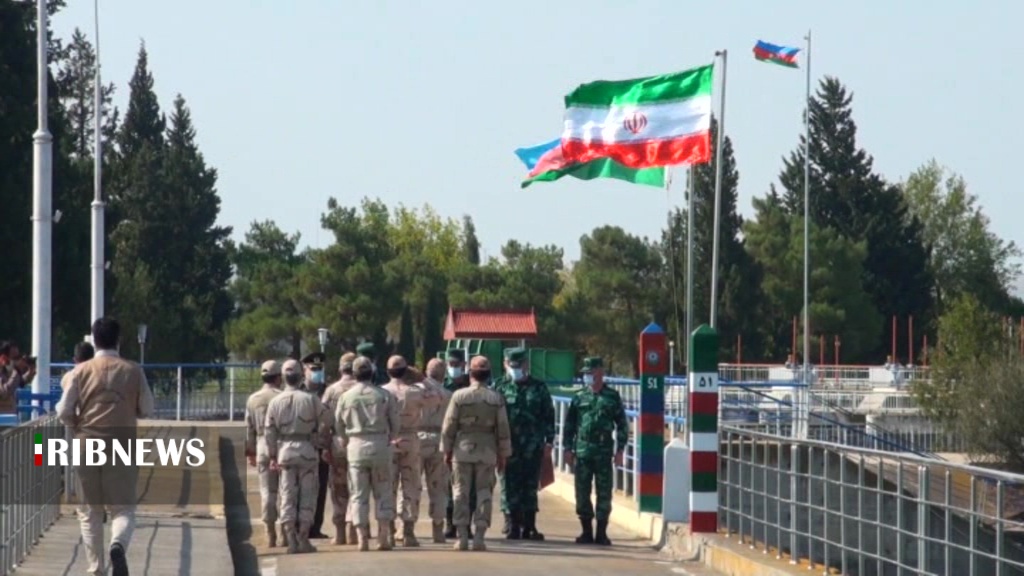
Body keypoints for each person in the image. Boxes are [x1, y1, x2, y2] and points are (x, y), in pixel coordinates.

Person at [57, 317, 155, 576]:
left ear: (94, 340)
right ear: (118, 340)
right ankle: (117, 544)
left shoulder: (80, 371)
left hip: (86, 443)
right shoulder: (133, 370)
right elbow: (147, 408)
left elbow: (63, 410)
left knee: (89, 512)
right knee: (123, 509)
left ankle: (96, 568)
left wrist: (77, 424)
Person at [441, 355, 512, 551]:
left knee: (460, 492)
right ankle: (479, 537)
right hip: (487, 449)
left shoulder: (459, 396)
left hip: (462, 449)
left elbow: (449, 425)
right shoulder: (496, 398)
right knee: (484, 493)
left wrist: (446, 450)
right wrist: (503, 453)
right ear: (488, 374)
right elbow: (503, 428)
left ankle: (462, 537)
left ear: (470, 373)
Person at [264, 359, 333, 554]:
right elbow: (328, 419)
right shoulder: (311, 399)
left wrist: (272, 456)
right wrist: (319, 437)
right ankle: (303, 537)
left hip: (285, 451)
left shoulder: (275, 402)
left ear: (283, 377)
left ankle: (290, 539)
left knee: (287, 495)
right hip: (307, 450)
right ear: (301, 376)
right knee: (307, 495)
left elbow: (269, 431)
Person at [562, 357, 629, 546]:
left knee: (604, 493)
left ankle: (601, 533)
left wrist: (620, 450)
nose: (587, 376)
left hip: (603, 452)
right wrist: (567, 448)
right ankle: (586, 531)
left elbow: (622, 425)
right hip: (583, 452)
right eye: (585, 373)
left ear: (600, 372)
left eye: (590, 372)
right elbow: (569, 425)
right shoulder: (579, 397)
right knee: (582, 492)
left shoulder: (612, 397)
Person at [335, 356, 400, 551]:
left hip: (356, 446)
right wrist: (389, 438)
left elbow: (338, 424)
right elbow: (395, 423)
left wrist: (347, 439)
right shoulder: (384, 395)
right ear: (372, 372)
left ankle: (362, 538)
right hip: (380, 445)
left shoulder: (346, 397)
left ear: (354, 374)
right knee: (383, 492)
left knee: (358, 494)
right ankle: (383, 537)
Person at [493, 347, 555, 540]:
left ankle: (529, 526)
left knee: (530, 486)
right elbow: (493, 417)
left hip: (532, 446)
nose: (515, 369)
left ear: (526, 365)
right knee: (508, 485)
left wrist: (549, 442)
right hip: (508, 446)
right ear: (505, 364)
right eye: (511, 366)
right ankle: (512, 524)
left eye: (519, 366)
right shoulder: (499, 387)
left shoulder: (539, 387)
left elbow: (548, 415)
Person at [381, 355, 425, 547]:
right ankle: (408, 531)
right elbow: (439, 395)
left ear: (387, 371)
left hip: (389, 439)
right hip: (410, 439)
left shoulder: (382, 392)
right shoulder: (415, 392)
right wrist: (420, 377)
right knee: (410, 486)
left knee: (387, 486)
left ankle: (389, 531)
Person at [244, 360, 284, 547]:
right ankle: (285, 532)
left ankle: (269, 532)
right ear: (278, 377)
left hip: (261, 446)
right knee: (285, 492)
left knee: (267, 491)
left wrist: (250, 452)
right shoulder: (282, 397)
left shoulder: (253, 399)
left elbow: (249, 428)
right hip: (281, 446)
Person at [321, 352, 358, 545]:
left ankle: (340, 532)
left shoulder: (331, 391)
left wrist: (324, 446)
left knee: (337, 487)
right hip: (358, 441)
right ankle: (354, 526)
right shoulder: (364, 388)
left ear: (340, 368)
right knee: (358, 487)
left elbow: (324, 422)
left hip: (337, 443)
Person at [417, 358, 452, 543]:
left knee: (410, 485)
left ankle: (405, 528)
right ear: (443, 374)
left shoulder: (415, 392)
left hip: (417, 438)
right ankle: (438, 529)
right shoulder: (448, 395)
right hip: (439, 439)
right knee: (438, 487)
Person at [441, 348, 475, 537]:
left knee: (468, 488)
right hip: (449, 442)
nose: (453, 367)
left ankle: (466, 525)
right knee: (448, 486)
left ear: (464, 365)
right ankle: (450, 524)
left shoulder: (472, 385)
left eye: (457, 364)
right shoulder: (441, 385)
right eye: (450, 364)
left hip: (468, 443)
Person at [301, 351, 331, 539]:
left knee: (320, 487)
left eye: (319, 369)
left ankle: (316, 527)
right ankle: (301, 526)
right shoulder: (298, 391)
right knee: (301, 488)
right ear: (305, 370)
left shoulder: (328, 391)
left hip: (321, 447)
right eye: (313, 369)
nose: (316, 373)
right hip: (303, 446)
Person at [0, 341, 25, 415]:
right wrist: (16, 371)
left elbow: (21, 383)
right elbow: (4, 393)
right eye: (15, 358)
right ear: (4, 358)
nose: (18, 360)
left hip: (10, 416)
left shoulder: (8, 372)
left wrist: (30, 372)